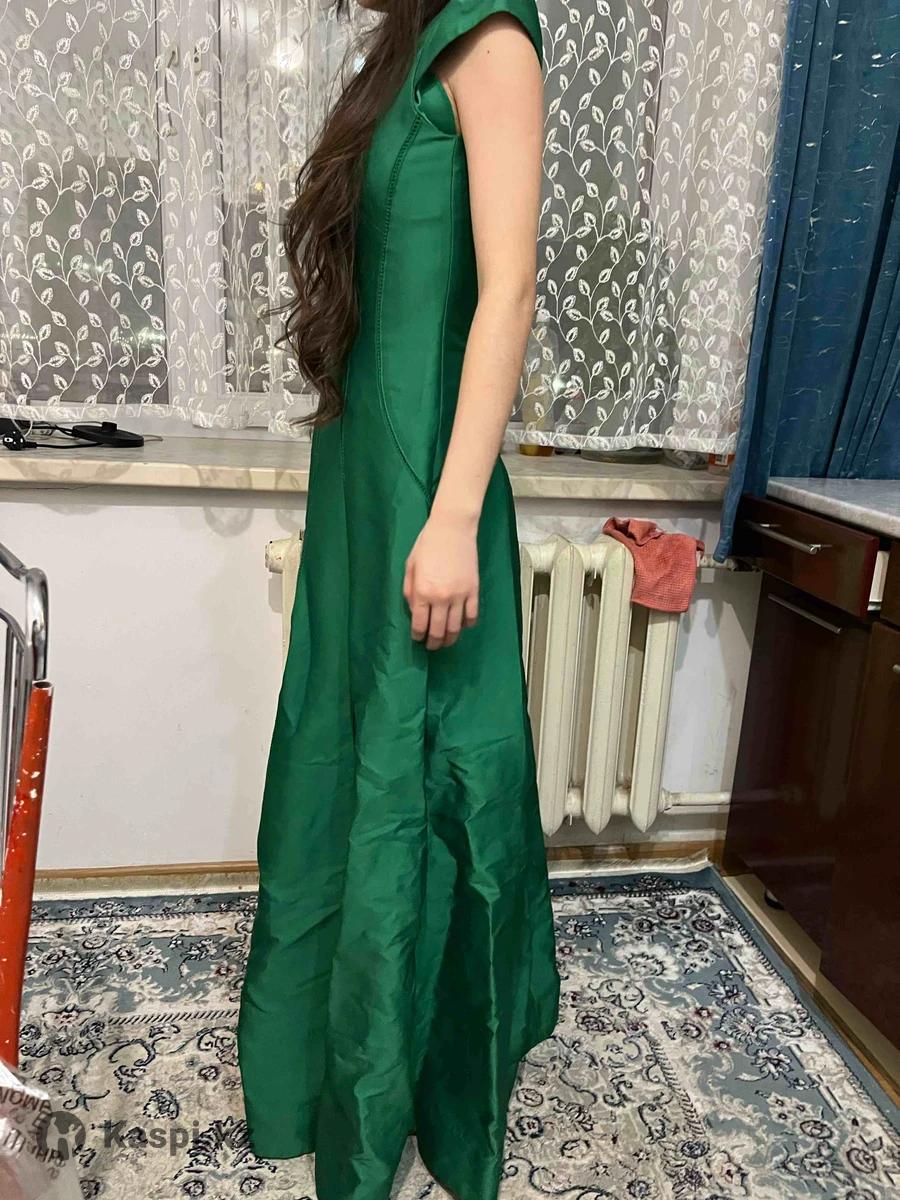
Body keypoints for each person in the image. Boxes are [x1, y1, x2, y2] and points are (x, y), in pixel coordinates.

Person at [237, 1, 560, 1198]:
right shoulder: (407, 46)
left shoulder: (492, 40)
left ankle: (409, 1104)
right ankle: (333, 1074)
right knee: (347, 761)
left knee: (420, 788)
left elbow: (508, 292)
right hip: (365, 481)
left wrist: (454, 515)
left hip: (428, 483)